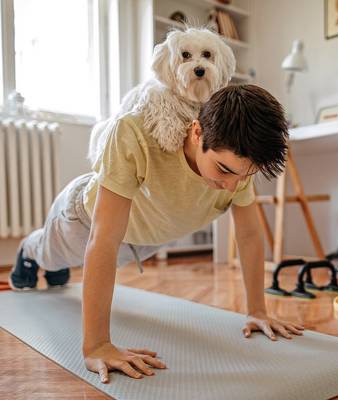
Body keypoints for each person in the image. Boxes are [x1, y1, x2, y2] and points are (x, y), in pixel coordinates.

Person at [10, 84, 304, 384]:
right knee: (50, 254)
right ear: (197, 132)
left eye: (245, 175)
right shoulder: (134, 133)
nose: (233, 186)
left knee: (64, 267)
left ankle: (54, 269)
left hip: (144, 239)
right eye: (224, 170)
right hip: (83, 222)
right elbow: (103, 239)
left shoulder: (237, 170)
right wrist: (97, 346)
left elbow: (250, 236)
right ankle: (28, 251)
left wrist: (257, 310)